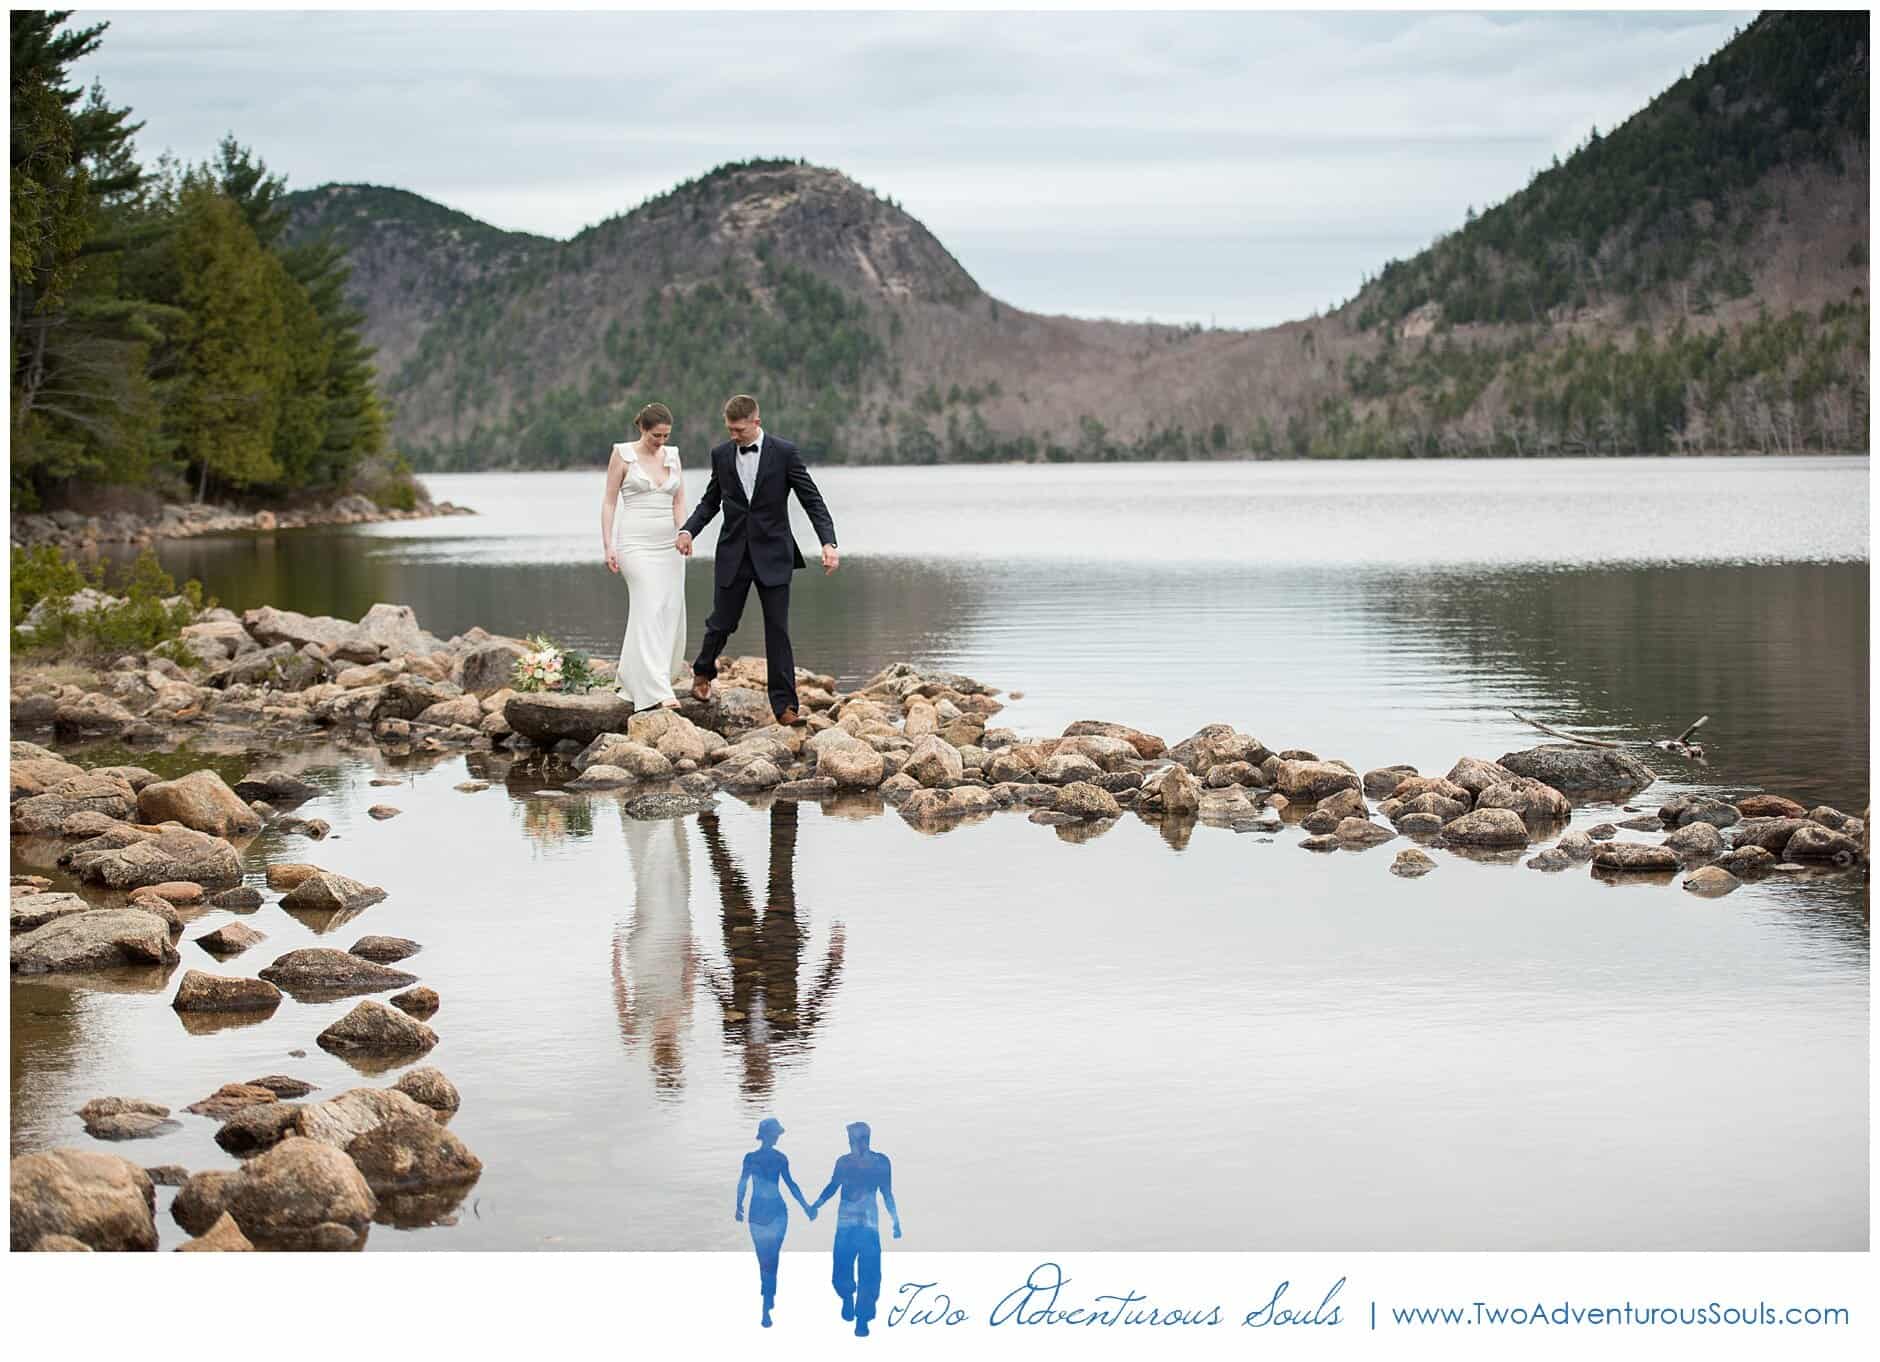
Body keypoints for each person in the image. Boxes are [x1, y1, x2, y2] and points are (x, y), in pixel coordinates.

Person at [676, 394, 837, 725]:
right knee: (722, 622)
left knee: (777, 630)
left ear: (756, 423)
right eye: (730, 430)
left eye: (739, 430)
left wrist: (828, 541)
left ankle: (785, 707)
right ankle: (703, 671)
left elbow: (812, 500)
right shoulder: (721, 455)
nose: (734, 436)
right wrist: (688, 531)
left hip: (774, 555)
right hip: (733, 553)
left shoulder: (785, 453)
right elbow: (710, 503)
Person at [601, 402, 688, 711]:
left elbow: (679, 502)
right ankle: (658, 691)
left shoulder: (673, 455)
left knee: (668, 610)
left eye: (665, 435)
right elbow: (610, 502)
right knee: (649, 605)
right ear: (642, 428)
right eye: (655, 436)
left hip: (669, 545)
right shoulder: (622, 454)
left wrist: (684, 532)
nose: (660, 441)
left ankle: (639, 676)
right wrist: (608, 545)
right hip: (635, 543)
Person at [809, 1121, 902, 1338]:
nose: (850, 1143)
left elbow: (886, 1193)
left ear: (863, 1140)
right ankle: (851, 1302)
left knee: (862, 1270)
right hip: (856, 1224)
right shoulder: (853, 1163)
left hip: (860, 1226)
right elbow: (833, 1186)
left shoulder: (874, 1163)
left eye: (852, 1140)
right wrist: (816, 1205)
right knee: (852, 1268)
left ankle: (860, 1316)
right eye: (850, 1140)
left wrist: (895, 1220)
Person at [736, 1116, 815, 1329]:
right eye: (776, 1134)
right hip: (772, 1212)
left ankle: (767, 1294)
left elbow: (744, 1184)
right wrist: (738, 1205)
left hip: (764, 1212)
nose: (777, 1137)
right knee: (769, 1256)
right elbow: (790, 1185)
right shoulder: (776, 1158)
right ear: (769, 1135)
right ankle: (768, 1292)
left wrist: (739, 1205)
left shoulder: (753, 1158)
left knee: (766, 1256)